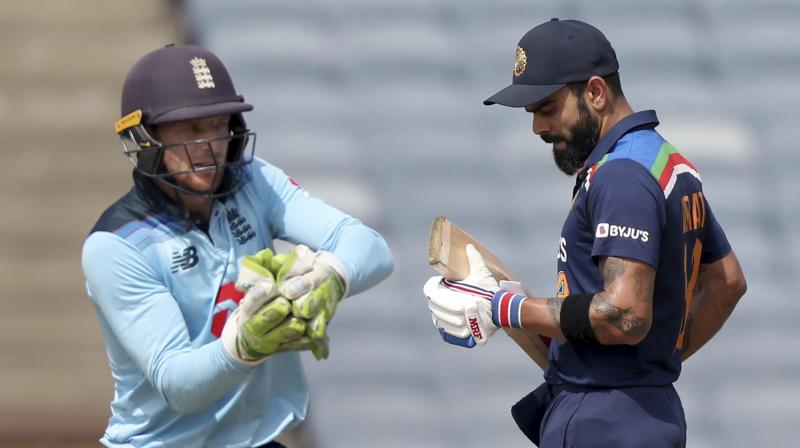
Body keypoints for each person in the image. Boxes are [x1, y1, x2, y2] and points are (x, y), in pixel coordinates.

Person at [423, 19, 746, 447]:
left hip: (603, 420)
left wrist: (503, 308)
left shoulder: (622, 177)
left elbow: (625, 315)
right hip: (647, 410)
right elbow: (727, 282)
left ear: (595, 92)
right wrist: (648, 366)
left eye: (548, 108)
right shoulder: (663, 162)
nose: (538, 127)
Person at [81, 44, 393, 448]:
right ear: (145, 138)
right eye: (190, 130)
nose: (210, 145)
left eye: (217, 125)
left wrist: (328, 278)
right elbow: (178, 384)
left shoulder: (254, 180)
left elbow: (371, 249)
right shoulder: (116, 246)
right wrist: (243, 344)